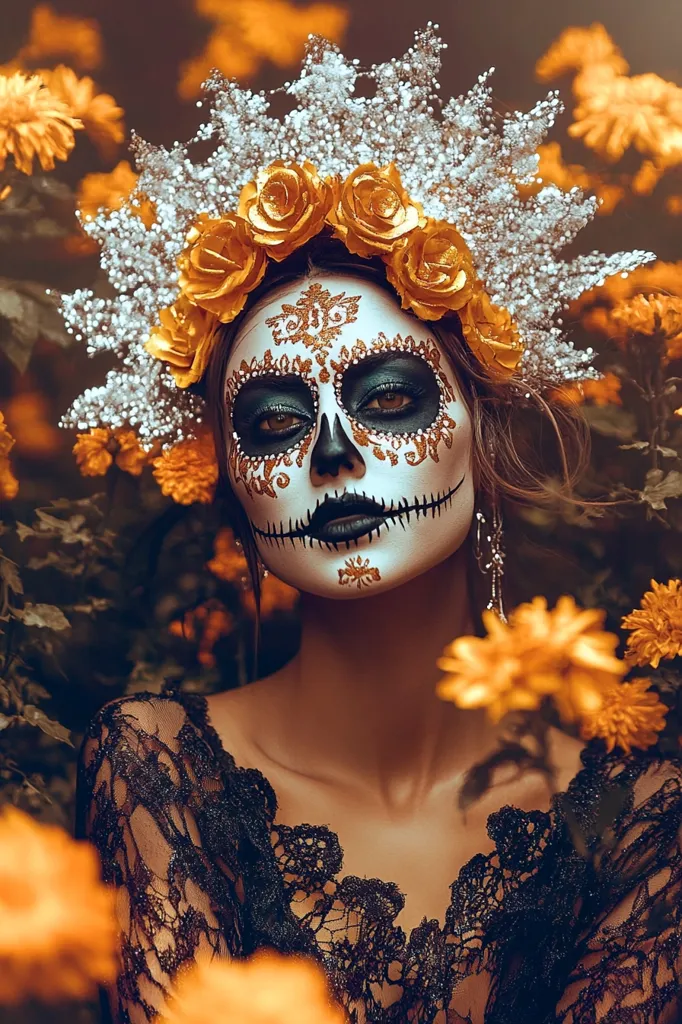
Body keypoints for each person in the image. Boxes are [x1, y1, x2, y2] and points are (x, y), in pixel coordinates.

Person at [71, 28, 682, 1024]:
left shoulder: (634, 813)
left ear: (481, 433)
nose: (330, 453)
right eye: (272, 421)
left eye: (389, 398)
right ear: (230, 481)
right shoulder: (155, 767)